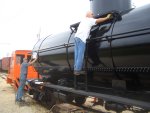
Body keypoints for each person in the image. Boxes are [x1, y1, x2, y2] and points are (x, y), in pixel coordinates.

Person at [74, 11, 112, 75]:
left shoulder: (83, 20)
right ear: (88, 15)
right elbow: (98, 20)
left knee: (77, 55)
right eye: (92, 14)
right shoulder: (90, 20)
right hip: (81, 38)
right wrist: (106, 18)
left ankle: (75, 69)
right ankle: (78, 70)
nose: (93, 15)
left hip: (76, 37)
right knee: (81, 54)